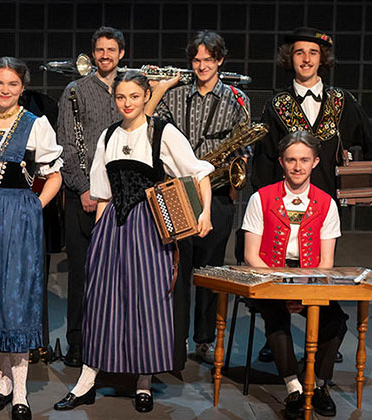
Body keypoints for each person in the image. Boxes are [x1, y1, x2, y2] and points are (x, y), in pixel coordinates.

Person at [52, 71, 213, 414]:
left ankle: (143, 382)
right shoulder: (109, 135)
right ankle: (86, 381)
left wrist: (205, 214)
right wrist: (97, 239)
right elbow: (102, 193)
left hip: (150, 227)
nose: (127, 103)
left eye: (134, 97)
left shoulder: (162, 132)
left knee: (148, 303)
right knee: (101, 301)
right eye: (121, 97)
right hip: (112, 225)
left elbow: (199, 173)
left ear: (145, 97)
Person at [254, 27, 372, 366]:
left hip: (325, 207)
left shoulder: (343, 101)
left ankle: (324, 335)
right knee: (277, 274)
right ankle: (276, 333)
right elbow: (265, 162)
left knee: (319, 273)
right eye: (300, 52)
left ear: (322, 59)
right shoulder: (276, 104)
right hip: (280, 207)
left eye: (313, 53)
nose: (306, 59)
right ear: (290, 58)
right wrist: (262, 208)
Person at [0, 57, 63, 420]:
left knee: (15, 298)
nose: (5, 90)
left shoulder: (37, 126)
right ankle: (2, 382)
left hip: (17, 216)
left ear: (23, 88)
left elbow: (54, 175)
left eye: (13, 84)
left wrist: (34, 206)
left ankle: (20, 389)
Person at [148, 30, 251, 365]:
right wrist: (161, 87)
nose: (202, 66)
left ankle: (204, 339)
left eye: (209, 59)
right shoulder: (175, 96)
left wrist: (234, 187)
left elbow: (243, 148)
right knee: (176, 269)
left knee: (209, 270)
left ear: (220, 60)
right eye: (196, 60)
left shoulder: (237, 99)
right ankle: (174, 338)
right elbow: (148, 124)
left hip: (218, 192)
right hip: (177, 190)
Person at [241, 131, 345, 419]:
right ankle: (294, 388)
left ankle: (319, 384)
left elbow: (326, 262)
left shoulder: (326, 203)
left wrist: (304, 291)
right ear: (282, 162)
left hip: (310, 276)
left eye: (304, 160)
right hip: (269, 274)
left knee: (336, 321)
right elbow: (252, 255)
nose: (297, 167)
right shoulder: (260, 198)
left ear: (315, 162)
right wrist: (283, 290)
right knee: (276, 318)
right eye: (291, 160)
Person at [54, 26, 125, 368]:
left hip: (123, 198)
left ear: (121, 54)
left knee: (119, 276)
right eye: (100, 50)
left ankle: (112, 343)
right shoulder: (75, 90)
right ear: (93, 53)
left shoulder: (130, 90)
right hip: (85, 196)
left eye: (111, 50)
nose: (105, 55)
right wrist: (83, 188)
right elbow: (66, 145)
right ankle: (77, 342)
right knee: (82, 273)